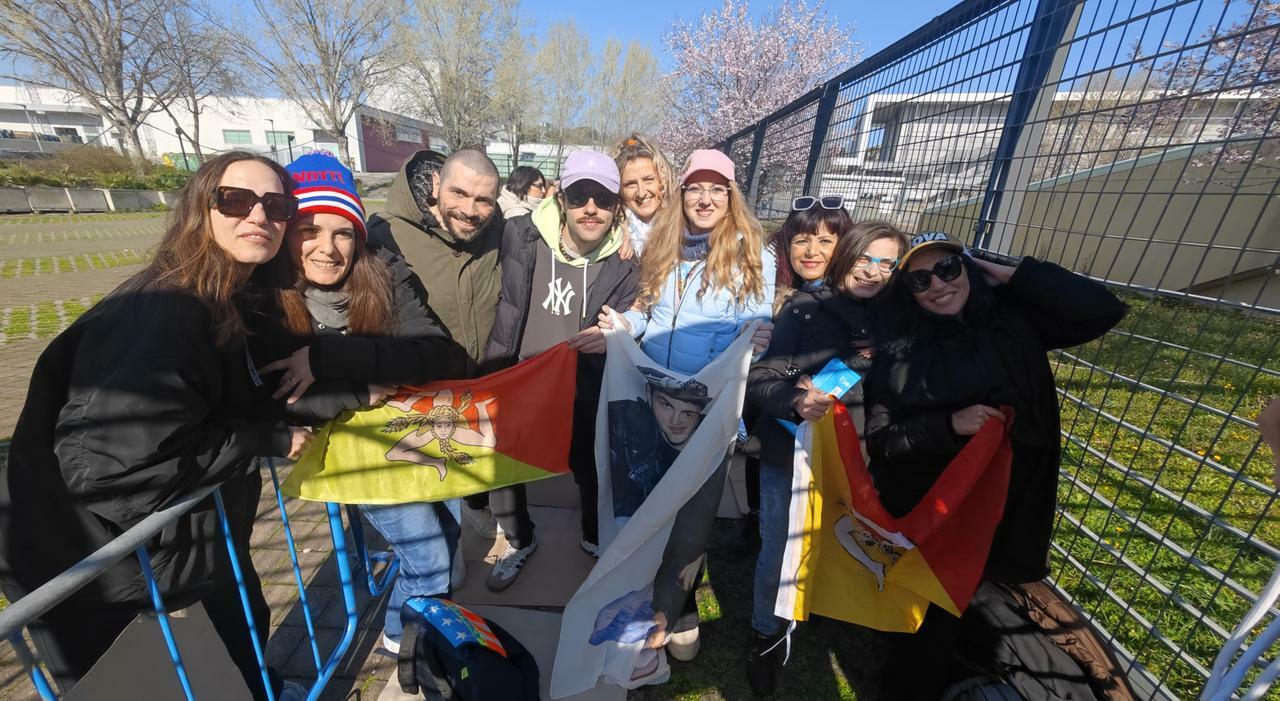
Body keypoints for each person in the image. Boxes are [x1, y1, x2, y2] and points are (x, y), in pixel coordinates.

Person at [0, 152, 312, 700]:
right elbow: (117, 468)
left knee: (240, 656)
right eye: (236, 200)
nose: (258, 216)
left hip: (169, 551)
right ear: (200, 209)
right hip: (93, 564)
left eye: (276, 205)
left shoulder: (230, 298)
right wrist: (267, 439)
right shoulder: (167, 309)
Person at [865, 231, 1127, 699]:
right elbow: (883, 441)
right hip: (942, 513)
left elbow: (1101, 309)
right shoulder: (899, 353)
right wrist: (950, 425)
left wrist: (1014, 274)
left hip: (1015, 499)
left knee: (987, 610)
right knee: (929, 633)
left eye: (948, 269)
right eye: (920, 280)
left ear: (970, 268)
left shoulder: (1013, 321)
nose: (938, 286)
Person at [259, 151, 473, 654]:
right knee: (429, 560)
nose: (327, 249)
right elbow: (282, 400)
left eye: (343, 232)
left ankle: (424, 622)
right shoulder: (264, 298)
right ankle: (402, 642)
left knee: (449, 527)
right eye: (309, 230)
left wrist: (330, 355)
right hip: (350, 457)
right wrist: (359, 387)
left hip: (411, 436)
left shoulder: (383, 272)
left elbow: (441, 356)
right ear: (287, 231)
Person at [600, 148, 776, 662]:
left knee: (691, 514)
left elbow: (752, 328)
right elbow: (645, 312)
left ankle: (675, 607)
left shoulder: (752, 252)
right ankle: (646, 603)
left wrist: (758, 338)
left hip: (707, 408)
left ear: (730, 197)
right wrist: (623, 327)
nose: (704, 198)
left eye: (716, 189)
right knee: (646, 502)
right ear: (683, 194)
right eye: (695, 188)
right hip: (652, 399)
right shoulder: (662, 242)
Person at [744, 212, 907, 695]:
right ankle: (766, 637)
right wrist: (796, 401)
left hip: (859, 457)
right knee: (779, 547)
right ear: (847, 255)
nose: (872, 270)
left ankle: (827, 612)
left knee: (839, 541)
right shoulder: (802, 310)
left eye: (887, 264)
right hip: (792, 450)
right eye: (864, 257)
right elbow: (761, 382)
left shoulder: (900, 315)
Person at [483, 149, 638, 589]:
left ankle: (593, 536)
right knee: (506, 463)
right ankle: (519, 540)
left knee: (589, 461)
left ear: (616, 208)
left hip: (583, 381)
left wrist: (612, 336)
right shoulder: (519, 234)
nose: (591, 208)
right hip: (519, 373)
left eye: (603, 199)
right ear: (560, 196)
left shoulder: (625, 263)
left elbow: (630, 318)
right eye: (579, 196)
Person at [365, 149, 511, 539]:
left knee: (472, 488)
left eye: (484, 200)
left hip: (475, 399)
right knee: (436, 552)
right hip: (415, 405)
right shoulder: (384, 233)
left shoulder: (498, 230)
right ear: (435, 185)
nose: (470, 209)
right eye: (459, 194)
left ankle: (475, 512)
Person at [609, 134, 675, 256]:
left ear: (663, 179)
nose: (641, 193)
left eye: (648, 180)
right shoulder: (611, 237)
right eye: (630, 184)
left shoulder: (682, 228)